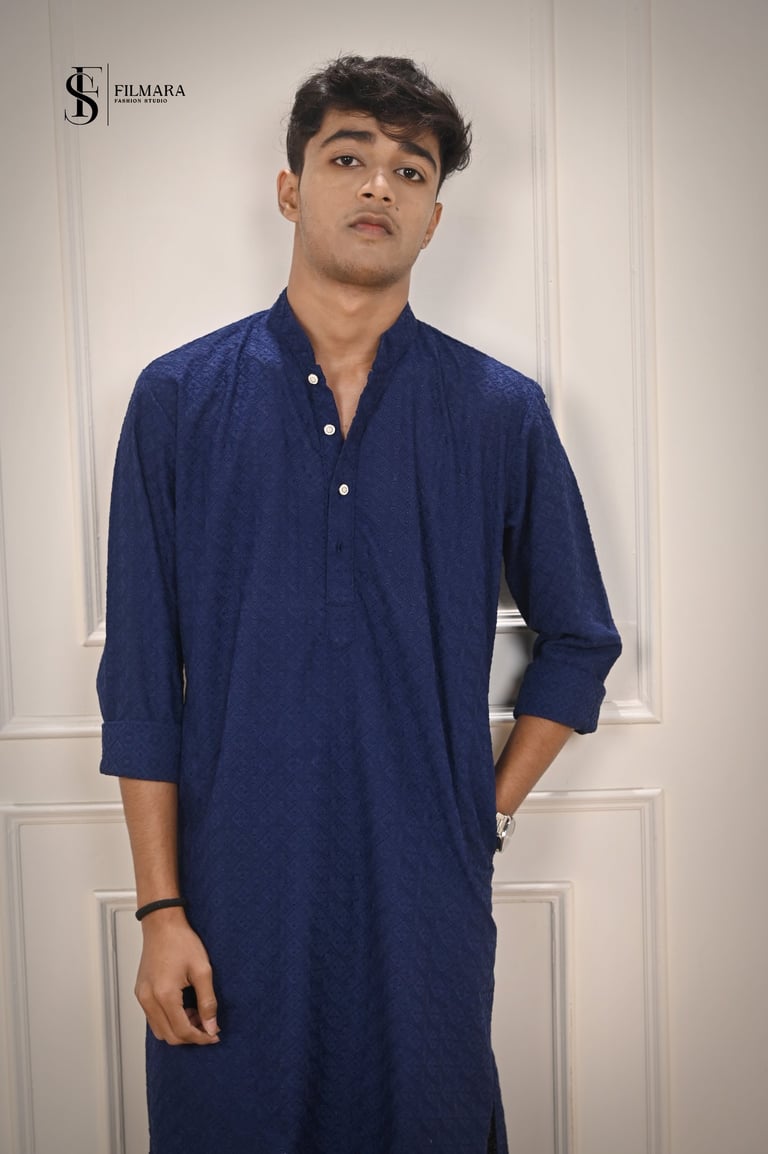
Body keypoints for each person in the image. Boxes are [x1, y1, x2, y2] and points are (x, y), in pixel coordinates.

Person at [97, 54, 621, 1154]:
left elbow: (580, 639)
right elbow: (140, 679)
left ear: (434, 217)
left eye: (410, 170)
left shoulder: (499, 411)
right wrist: (159, 910)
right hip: (230, 891)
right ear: (291, 189)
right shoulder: (178, 400)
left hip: (426, 889)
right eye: (349, 158)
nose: (380, 184)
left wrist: (482, 812)